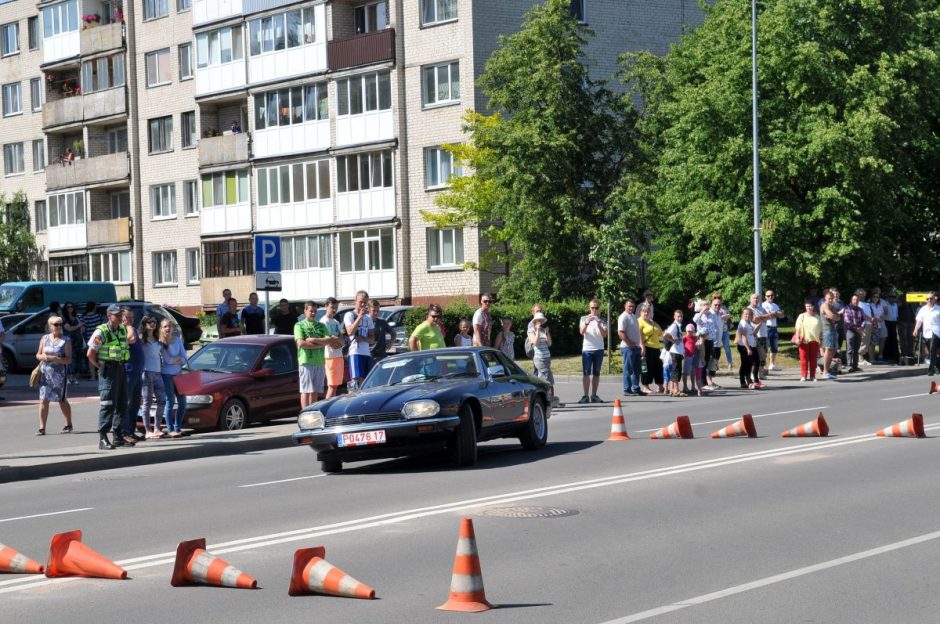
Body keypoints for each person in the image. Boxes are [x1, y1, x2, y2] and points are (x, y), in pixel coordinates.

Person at [87, 304, 131, 449]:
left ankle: (118, 436)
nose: (120, 317)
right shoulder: (101, 332)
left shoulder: (122, 329)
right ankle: (103, 438)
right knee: (108, 404)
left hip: (120, 369)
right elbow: (90, 353)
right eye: (117, 315)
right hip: (108, 370)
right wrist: (100, 367)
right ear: (109, 316)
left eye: (121, 315)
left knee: (122, 403)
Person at [35, 315, 73, 435]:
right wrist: (43, 357)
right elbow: (38, 354)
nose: (59, 327)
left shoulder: (66, 340)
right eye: (56, 324)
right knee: (43, 400)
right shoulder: (44, 338)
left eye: (60, 324)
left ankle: (68, 424)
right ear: (50, 326)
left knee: (62, 400)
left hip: (60, 375)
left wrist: (55, 358)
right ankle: (42, 428)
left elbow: (69, 360)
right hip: (45, 374)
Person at [295, 301, 330, 408]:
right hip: (306, 362)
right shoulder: (299, 325)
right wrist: (320, 344)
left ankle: (312, 413)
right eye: (311, 311)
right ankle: (305, 414)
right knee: (306, 390)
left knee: (315, 391)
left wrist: (313, 340)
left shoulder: (321, 325)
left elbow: (328, 340)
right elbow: (301, 343)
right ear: (305, 311)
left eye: (315, 311)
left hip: (319, 361)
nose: (313, 313)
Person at [159, 319, 188, 437]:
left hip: (178, 374)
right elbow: (167, 360)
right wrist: (177, 360)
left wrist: (176, 360)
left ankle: (178, 427)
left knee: (183, 402)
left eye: (169, 326)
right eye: (165, 326)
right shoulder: (161, 342)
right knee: (170, 401)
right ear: (161, 329)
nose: (168, 328)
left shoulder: (177, 340)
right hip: (166, 375)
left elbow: (184, 357)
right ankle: (170, 429)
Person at [139, 315, 166, 438]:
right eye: (149, 322)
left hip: (158, 373)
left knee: (162, 400)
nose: (152, 324)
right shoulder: (141, 339)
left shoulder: (157, 339)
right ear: (144, 324)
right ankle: (147, 430)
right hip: (146, 372)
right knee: (147, 402)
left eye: (154, 322)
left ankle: (157, 428)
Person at [578, 298, 607, 404]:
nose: (594, 310)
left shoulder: (603, 319)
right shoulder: (584, 318)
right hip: (587, 349)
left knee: (596, 373)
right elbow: (581, 332)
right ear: (589, 308)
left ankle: (594, 395)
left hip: (599, 349)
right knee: (586, 373)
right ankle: (585, 396)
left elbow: (604, 335)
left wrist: (599, 324)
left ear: (599, 308)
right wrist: (586, 323)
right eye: (592, 308)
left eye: (596, 308)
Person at [344, 290, 375, 387]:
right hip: (355, 352)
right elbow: (350, 332)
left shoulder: (368, 318)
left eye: (365, 302)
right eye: (360, 302)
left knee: (365, 382)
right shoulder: (350, 315)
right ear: (355, 302)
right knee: (355, 381)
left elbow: (372, 339)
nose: (362, 304)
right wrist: (359, 316)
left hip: (366, 352)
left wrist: (364, 339)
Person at [122, 307, 144, 441]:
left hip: (138, 372)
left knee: (135, 403)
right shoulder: (123, 330)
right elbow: (131, 339)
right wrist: (129, 326)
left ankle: (131, 430)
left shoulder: (133, 329)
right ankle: (124, 432)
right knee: (126, 403)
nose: (131, 320)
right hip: (128, 372)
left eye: (132, 317)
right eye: (128, 317)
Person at [320, 298, 345, 398]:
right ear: (326, 306)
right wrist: (335, 340)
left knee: (336, 385)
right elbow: (328, 341)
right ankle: (326, 408)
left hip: (338, 355)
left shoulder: (336, 321)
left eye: (336, 308)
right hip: (330, 356)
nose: (334, 310)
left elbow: (342, 339)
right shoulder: (323, 321)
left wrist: (337, 339)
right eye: (332, 307)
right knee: (332, 385)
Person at [618, 299, 643, 396]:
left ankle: (636, 388)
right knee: (628, 369)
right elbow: (620, 332)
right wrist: (629, 343)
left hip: (636, 347)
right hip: (628, 347)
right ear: (625, 306)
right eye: (629, 306)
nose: (631, 308)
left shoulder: (633, 316)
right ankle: (627, 389)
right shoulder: (623, 317)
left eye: (633, 306)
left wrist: (639, 345)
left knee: (637, 369)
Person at [638, 303, 664, 394]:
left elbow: (661, 332)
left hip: (656, 347)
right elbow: (640, 335)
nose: (646, 313)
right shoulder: (639, 321)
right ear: (640, 312)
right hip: (647, 347)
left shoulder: (652, 322)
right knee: (646, 368)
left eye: (648, 312)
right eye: (644, 311)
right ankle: (645, 386)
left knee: (658, 367)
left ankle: (660, 386)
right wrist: (642, 347)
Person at [913, 292, 940, 376]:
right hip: (926, 333)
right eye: (927, 299)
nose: (929, 300)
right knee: (932, 352)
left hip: (936, 332)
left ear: (934, 299)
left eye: (931, 298)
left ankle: (930, 370)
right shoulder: (923, 309)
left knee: (932, 351)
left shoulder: (938, 308)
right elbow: (919, 320)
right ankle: (938, 367)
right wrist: (915, 329)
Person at [794, 300, 822, 381]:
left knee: (813, 360)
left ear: (813, 307)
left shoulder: (817, 316)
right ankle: (804, 375)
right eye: (807, 306)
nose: (808, 308)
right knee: (804, 359)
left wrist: (821, 339)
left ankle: (813, 376)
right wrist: (797, 338)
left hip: (815, 340)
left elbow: (820, 329)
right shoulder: (801, 316)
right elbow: (798, 328)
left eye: (810, 306)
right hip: (804, 340)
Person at [527, 312, 553, 392]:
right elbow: (536, 343)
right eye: (538, 320)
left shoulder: (543, 330)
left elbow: (549, 344)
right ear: (535, 321)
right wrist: (537, 331)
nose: (540, 322)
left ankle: (546, 396)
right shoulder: (531, 331)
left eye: (541, 320)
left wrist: (547, 333)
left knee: (545, 376)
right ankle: (545, 397)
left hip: (547, 357)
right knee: (545, 378)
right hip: (539, 358)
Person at [747, 293, 770, 384]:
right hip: (754, 335)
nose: (756, 300)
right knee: (756, 356)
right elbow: (754, 320)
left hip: (764, 334)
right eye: (754, 298)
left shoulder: (761, 308)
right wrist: (763, 318)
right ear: (750, 299)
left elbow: (768, 317)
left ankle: (760, 372)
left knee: (763, 355)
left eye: (757, 298)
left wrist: (761, 317)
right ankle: (753, 373)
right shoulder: (749, 309)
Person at [662, 309, 685, 397]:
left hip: (679, 352)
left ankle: (675, 389)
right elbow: (665, 335)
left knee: (678, 370)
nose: (680, 318)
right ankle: (675, 389)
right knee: (675, 370)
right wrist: (673, 340)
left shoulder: (678, 326)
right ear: (674, 317)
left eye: (681, 316)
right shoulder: (674, 325)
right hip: (674, 351)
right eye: (678, 316)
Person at [820, 289, 841, 380]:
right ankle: (825, 371)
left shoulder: (832, 306)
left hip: (833, 329)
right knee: (828, 350)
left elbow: (838, 318)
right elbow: (833, 316)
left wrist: (834, 316)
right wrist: (834, 316)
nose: (831, 300)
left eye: (832, 298)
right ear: (825, 298)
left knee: (833, 350)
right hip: (827, 330)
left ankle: (827, 370)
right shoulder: (824, 306)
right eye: (829, 298)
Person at [61, 302, 84, 384]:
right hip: (69, 341)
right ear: (65, 308)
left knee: (77, 359)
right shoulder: (64, 318)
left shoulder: (76, 317)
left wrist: (81, 327)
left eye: (71, 306)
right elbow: (68, 328)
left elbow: (81, 328)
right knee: (70, 359)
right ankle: (68, 377)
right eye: (68, 307)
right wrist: (79, 325)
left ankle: (73, 377)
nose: (70, 308)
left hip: (78, 341)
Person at [736, 307, 759, 389]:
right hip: (744, 346)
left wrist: (759, 325)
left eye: (749, 314)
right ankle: (746, 382)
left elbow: (752, 334)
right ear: (742, 315)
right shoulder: (743, 323)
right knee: (746, 364)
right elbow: (743, 337)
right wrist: (748, 348)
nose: (747, 315)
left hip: (750, 346)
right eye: (745, 314)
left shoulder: (748, 323)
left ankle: (747, 382)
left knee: (748, 364)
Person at [842, 293, 865, 374]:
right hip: (850, 330)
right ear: (851, 300)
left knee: (856, 349)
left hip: (859, 330)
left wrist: (861, 328)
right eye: (854, 299)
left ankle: (855, 366)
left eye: (857, 300)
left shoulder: (860, 309)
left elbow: (863, 320)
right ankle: (849, 365)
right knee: (850, 349)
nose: (856, 301)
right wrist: (857, 329)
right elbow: (848, 321)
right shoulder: (847, 308)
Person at [79, 301, 102, 380]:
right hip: (99, 338)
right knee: (100, 357)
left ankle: (92, 376)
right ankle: (101, 375)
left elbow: (82, 329)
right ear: (94, 307)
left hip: (89, 339)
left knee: (91, 357)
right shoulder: (98, 316)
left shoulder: (83, 317)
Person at [762, 290, 784, 371]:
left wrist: (774, 314)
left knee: (774, 347)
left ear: (774, 296)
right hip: (767, 327)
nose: (770, 297)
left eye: (771, 295)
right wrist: (775, 314)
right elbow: (769, 315)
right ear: (765, 297)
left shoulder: (775, 305)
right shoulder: (763, 305)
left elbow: (781, 315)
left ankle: (772, 364)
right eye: (768, 296)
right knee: (765, 347)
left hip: (774, 327)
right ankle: (762, 365)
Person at [682, 323, 704, 396]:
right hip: (687, 356)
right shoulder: (684, 338)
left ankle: (693, 386)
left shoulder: (695, 338)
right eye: (688, 331)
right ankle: (685, 387)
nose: (690, 332)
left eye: (691, 331)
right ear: (686, 331)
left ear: (693, 331)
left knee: (693, 372)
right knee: (685, 372)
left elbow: (699, 345)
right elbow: (682, 346)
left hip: (694, 357)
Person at [883, 291, 900, 362]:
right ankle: (887, 355)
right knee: (887, 339)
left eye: (894, 297)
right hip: (887, 322)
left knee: (894, 339)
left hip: (893, 322)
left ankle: (894, 355)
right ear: (888, 297)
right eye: (891, 297)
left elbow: (896, 314)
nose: (893, 298)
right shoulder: (885, 304)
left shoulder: (895, 305)